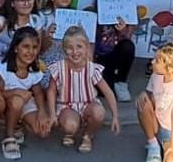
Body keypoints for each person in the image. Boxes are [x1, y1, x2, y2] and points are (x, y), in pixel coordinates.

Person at [48, 25, 119, 154]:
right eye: (70, 48)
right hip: (67, 106)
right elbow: (51, 91)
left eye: (79, 47)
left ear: (87, 48)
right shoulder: (59, 68)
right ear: (64, 50)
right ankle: (70, 131)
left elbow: (107, 91)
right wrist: (52, 114)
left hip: (88, 104)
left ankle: (88, 135)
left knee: (99, 112)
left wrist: (115, 116)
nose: (75, 52)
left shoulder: (92, 69)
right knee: (70, 125)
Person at [0, 26, 52, 160]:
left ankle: (19, 123)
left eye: (34, 47)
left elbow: (38, 93)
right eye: (25, 47)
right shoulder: (2, 69)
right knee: (17, 100)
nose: (30, 51)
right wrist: (16, 91)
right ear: (15, 48)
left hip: (23, 102)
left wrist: (42, 113)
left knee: (42, 131)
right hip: (6, 104)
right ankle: (9, 136)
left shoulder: (34, 71)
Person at [90, 0, 135, 102]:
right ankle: (109, 80)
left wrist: (122, 31)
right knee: (104, 92)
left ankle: (121, 82)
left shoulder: (128, 14)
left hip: (116, 55)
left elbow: (128, 43)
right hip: (100, 59)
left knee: (128, 45)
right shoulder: (92, 12)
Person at [39, 0, 75, 67]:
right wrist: (47, 36)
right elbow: (37, 46)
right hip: (45, 63)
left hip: (67, 64)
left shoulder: (76, 17)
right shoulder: (42, 16)